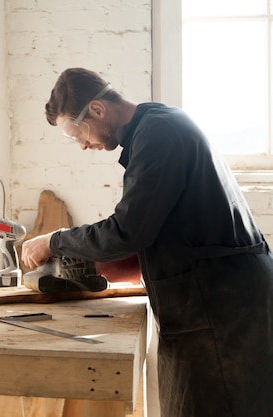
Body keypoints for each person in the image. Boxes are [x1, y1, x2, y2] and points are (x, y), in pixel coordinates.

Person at [21, 67, 273, 417]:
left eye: (77, 132)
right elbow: (164, 229)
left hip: (220, 305)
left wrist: (55, 241)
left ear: (96, 109)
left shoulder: (158, 134)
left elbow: (128, 230)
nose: (81, 144)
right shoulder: (155, 128)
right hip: (212, 299)